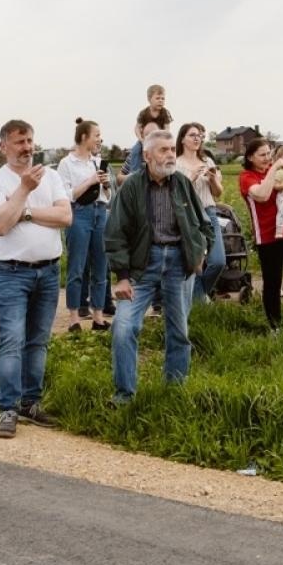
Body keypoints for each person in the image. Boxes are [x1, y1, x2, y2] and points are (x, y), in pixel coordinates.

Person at [105, 129, 211, 405]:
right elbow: (115, 233)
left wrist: (200, 251)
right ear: (147, 156)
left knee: (179, 330)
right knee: (123, 327)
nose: (170, 155)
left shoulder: (182, 184)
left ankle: (175, 390)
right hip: (142, 265)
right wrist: (123, 277)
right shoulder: (131, 187)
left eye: (171, 150)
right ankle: (124, 396)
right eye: (163, 150)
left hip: (178, 263)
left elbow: (204, 224)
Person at [0, 119, 72, 438]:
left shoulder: (52, 177)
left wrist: (27, 212)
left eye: (30, 140)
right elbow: (1, 225)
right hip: (12, 272)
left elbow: (65, 217)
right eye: (20, 141)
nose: (27, 147)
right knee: (12, 340)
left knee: (38, 340)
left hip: (48, 270)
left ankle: (30, 403)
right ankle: (7, 408)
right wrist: (24, 190)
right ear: (4, 145)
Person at [238, 138, 283, 330]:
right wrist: (274, 168)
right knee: (273, 280)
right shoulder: (247, 177)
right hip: (268, 235)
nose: (267, 158)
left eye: (269, 154)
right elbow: (262, 195)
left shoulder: (279, 168)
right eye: (262, 155)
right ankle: (275, 325)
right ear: (250, 157)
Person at [57, 118, 110, 333]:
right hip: (79, 214)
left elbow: (108, 195)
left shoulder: (97, 162)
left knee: (101, 266)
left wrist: (105, 185)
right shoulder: (66, 163)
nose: (100, 139)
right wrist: (89, 181)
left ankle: (98, 316)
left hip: (100, 213)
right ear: (83, 137)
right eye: (96, 135)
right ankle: (74, 317)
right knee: (76, 267)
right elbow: (65, 195)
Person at [175, 122, 225, 304]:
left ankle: (198, 294)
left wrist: (213, 179)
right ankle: (198, 302)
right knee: (193, 262)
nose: (197, 138)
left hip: (210, 212)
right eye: (192, 135)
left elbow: (218, 193)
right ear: (182, 139)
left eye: (199, 136)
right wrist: (192, 177)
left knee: (218, 261)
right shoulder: (176, 164)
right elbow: (175, 194)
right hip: (189, 215)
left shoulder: (208, 161)